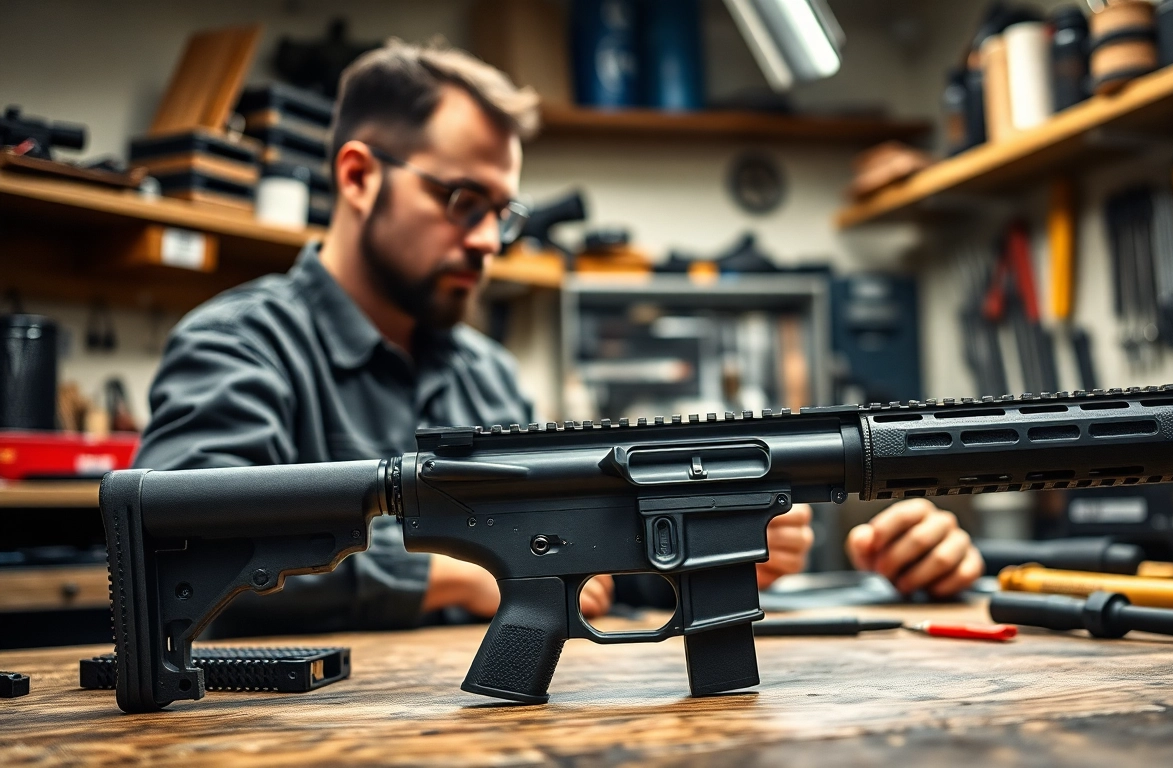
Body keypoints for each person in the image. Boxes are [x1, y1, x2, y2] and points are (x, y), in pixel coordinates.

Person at [133, 41, 981, 636]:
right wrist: (434, 572)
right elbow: (181, 547)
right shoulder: (237, 345)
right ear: (358, 176)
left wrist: (708, 555)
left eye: (502, 214)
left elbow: (587, 567)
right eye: (462, 202)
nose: (490, 243)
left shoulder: (487, 376)